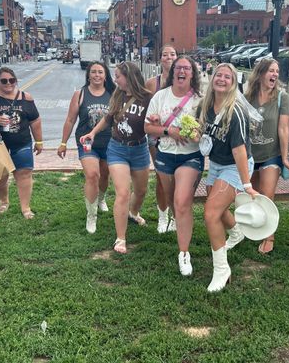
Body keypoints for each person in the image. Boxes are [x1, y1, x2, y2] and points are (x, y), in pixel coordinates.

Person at [198, 62, 259, 292]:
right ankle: (236, 232)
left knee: (211, 213)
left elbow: (239, 150)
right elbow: (201, 131)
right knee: (216, 207)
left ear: (234, 83)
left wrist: (246, 184)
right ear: (212, 78)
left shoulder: (236, 112)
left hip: (236, 166)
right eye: (218, 75)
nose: (222, 79)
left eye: (227, 77)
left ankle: (222, 269)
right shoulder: (206, 105)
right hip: (216, 163)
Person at [80, 62, 152, 254]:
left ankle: (133, 213)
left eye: (118, 75)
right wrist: (93, 133)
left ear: (128, 77)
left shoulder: (147, 98)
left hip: (139, 149)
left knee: (142, 190)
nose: (115, 79)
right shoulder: (118, 95)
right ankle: (120, 238)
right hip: (117, 148)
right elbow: (108, 118)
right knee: (123, 193)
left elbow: (154, 122)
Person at [145, 55, 204, 276]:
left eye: (186, 68)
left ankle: (184, 253)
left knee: (181, 202)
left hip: (190, 156)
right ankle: (171, 219)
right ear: (173, 73)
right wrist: (169, 130)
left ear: (192, 73)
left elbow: (204, 130)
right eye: (178, 68)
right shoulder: (160, 96)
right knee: (171, 199)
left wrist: (196, 132)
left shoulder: (199, 99)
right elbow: (147, 128)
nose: (182, 71)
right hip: (165, 155)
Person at [244, 57, 289, 254]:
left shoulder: (282, 97)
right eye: (270, 71)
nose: (274, 74)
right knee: (254, 197)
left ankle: (269, 236)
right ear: (260, 73)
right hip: (249, 155)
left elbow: (283, 129)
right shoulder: (247, 97)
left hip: (271, 154)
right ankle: (256, 228)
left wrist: (284, 157)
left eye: (276, 71)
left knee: (267, 196)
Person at [58, 62, 115, 233]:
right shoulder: (80, 94)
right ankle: (92, 216)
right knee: (92, 175)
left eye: (100, 72)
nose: (97, 75)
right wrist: (63, 143)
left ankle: (101, 198)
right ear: (88, 75)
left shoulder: (113, 94)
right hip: (87, 143)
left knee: (105, 175)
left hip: (109, 142)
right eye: (94, 72)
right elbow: (70, 120)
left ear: (106, 75)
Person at [0, 67, 43, 220]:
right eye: (4, 81)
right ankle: (4, 201)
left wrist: (39, 141)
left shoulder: (25, 97)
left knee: (24, 173)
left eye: (12, 80)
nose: (8, 83)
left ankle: (25, 207)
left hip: (21, 141)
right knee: (1, 176)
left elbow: (35, 120)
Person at [145, 45, 177, 233]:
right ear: (160, 59)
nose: (168, 57)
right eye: (165, 54)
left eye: (172, 54)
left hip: (177, 138)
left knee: (176, 178)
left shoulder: (184, 81)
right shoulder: (151, 83)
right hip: (156, 137)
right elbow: (144, 107)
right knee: (161, 177)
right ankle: (162, 215)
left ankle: (174, 216)